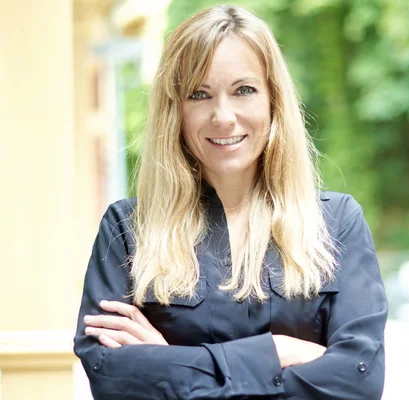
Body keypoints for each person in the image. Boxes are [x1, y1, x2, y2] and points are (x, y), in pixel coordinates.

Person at [74, 4, 387, 399]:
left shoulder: (336, 222)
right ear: (176, 111)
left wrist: (168, 360)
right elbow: (111, 378)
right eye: (199, 94)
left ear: (273, 101)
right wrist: (276, 352)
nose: (223, 116)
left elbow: (358, 381)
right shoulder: (127, 229)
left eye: (244, 90)